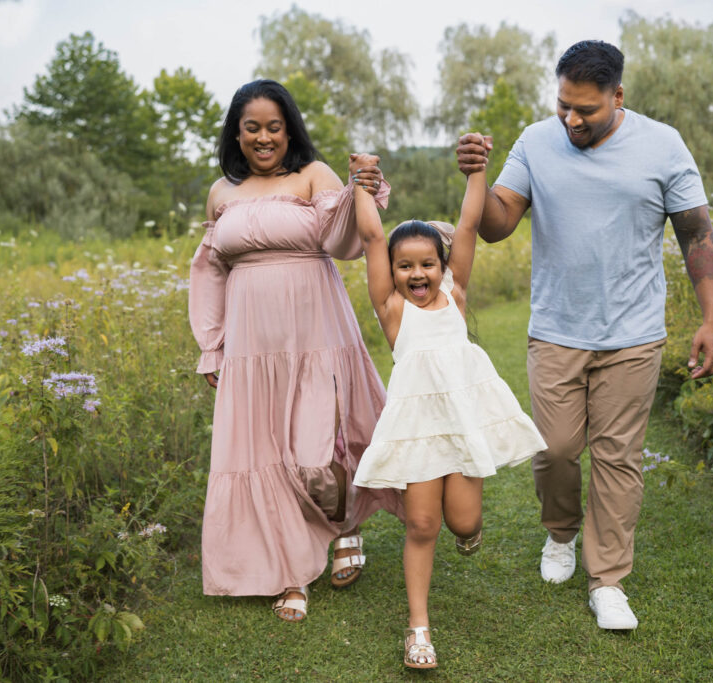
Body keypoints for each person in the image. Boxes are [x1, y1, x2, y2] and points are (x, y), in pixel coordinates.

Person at [456, 40, 713, 631]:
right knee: (553, 450)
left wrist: (711, 320)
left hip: (633, 332)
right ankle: (560, 534)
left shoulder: (662, 144)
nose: (572, 120)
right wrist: (476, 177)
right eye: (563, 107)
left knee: (618, 458)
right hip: (556, 329)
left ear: (617, 96)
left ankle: (608, 581)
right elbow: (499, 223)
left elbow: (696, 233)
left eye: (586, 110)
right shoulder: (536, 140)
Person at [188, 79, 402, 622]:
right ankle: (291, 573)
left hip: (316, 335)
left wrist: (363, 187)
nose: (263, 138)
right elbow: (210, 272)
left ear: (290, 131)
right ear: (236, 134)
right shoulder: (221, 192)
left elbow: (346, 242)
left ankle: (346, 524)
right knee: (263, 456)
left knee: (315, 455)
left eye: (274, 127)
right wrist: (212, 347)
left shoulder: (314, 176)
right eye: (252, 127)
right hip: (250, 347)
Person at [349, 152, 547, 668]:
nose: (417, 274)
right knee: (421, 526)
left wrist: (477, 172)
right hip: (419, 431)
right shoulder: (391, 310)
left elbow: (466, 224)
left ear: (443, 267)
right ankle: (418, 630)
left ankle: (470, 530)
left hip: (461, 422)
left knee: (462, 522)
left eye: (427, 264)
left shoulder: (455, 296)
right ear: (391, 272)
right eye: (405, 266)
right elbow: (372, 237)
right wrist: (361, 186)